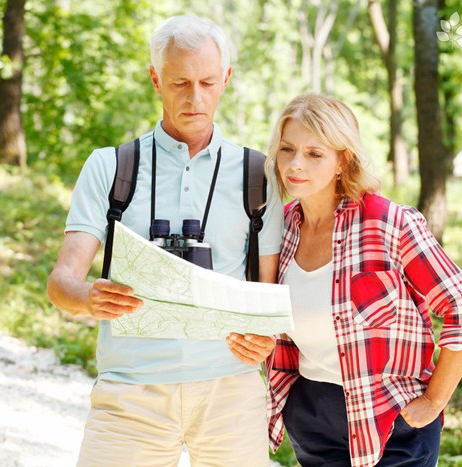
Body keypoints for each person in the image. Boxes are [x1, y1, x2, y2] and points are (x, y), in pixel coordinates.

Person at [47, 15, 284, 467]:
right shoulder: (109, 167)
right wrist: (88, 297)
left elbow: (266, 298)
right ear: (156, 79)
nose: (195, 98)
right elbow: (61, 282)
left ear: (226, 80)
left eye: (208, 82)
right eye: (180, 83)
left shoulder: (260, 175)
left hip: (230, 391)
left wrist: (266, 334)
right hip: (130, 392)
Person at [264, 94, 462, 467]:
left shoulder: (390, 224)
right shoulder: (281, 228)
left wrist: (434, 400)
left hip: (390, 420)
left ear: (342, 161)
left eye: (315, 153)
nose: (295, 164)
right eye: (287, 149)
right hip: (314, 418)